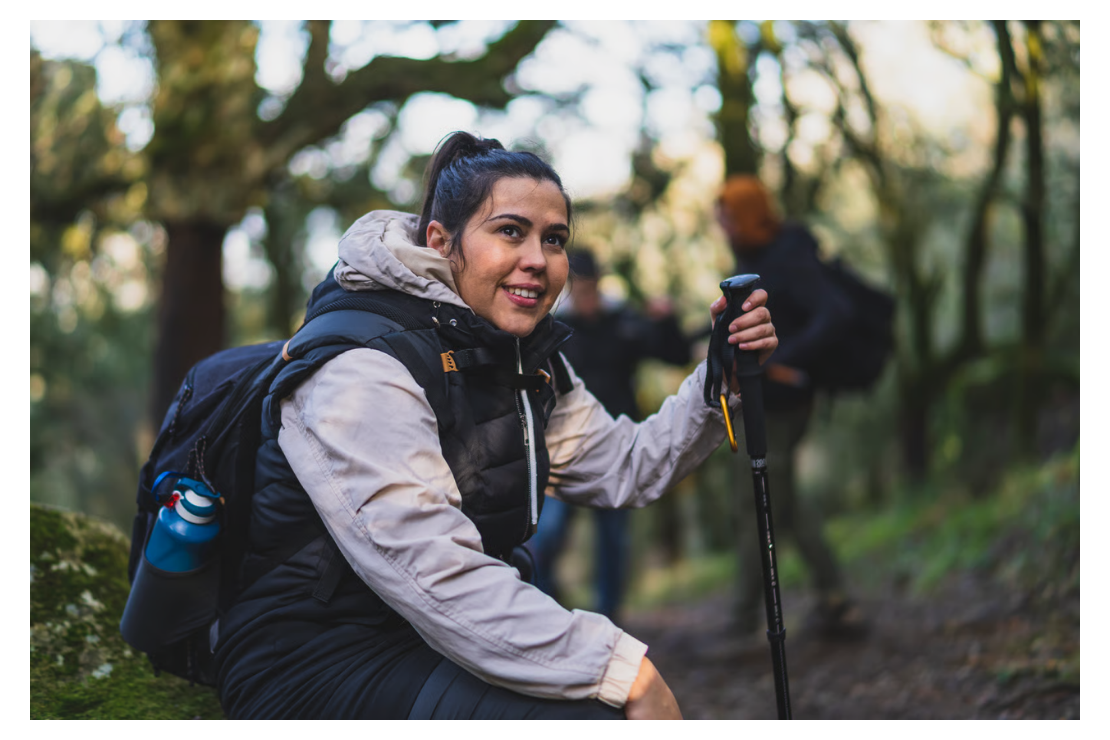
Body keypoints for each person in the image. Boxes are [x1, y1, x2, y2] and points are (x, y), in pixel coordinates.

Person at [212, 132, 778, 720]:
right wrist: (621, 667)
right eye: (511, 231)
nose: (537, 258)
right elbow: (431, 572)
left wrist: (720, 383)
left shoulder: (523, 358)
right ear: (441, 241)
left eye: (553, 239)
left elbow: (624, 467)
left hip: (429, 636)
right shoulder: (361, 369)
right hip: (312, 662)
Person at [715, 174, 866, 640]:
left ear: (746, 213)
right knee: (788, 502)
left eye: (726, 216)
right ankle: (835, 597)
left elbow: (836, 312)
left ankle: (741, 621)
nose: (721, 225)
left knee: (754, 503)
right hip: (764, 398)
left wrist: (782, 357)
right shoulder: (753, 256)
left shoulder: (788, 252)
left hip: (785, 403)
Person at [527, 249, 691, 623]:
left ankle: (609, 618)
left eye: (592, 286)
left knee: (613, 540)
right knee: (546, 536)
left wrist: (666, 322)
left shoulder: (623, 321)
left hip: (614, 447)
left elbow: (675, 353)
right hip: (560, 451)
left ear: (600, 282)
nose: (587, 295)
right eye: (579, 288)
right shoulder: (550, 329)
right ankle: (551, 612)